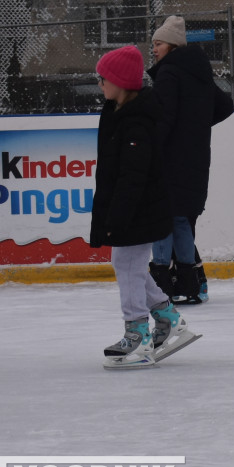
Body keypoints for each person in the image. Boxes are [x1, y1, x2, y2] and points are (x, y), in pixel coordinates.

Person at [90, 45, 199, 369]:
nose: (100, 84)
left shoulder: (137, 123)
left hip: (141, 210)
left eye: (103, 78)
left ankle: (137, 335)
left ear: (121, 83)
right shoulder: (119, 113)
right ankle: (168, 319)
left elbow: (132, 178)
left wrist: (118, 216)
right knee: (128, 265)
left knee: (127, 265)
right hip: (137, 209)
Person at [147, 15, 234, 304]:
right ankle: (192, 283)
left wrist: (149, 147)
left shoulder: (169, 73)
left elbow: (164, 117)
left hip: (171, 158)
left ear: (171, 45)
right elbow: (225, 106)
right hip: (195, 157)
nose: (154, 49)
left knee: (164, 218)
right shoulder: (198, 71)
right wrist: (195, 128)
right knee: (183, 220)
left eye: (158, 43)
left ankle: (164, 284)